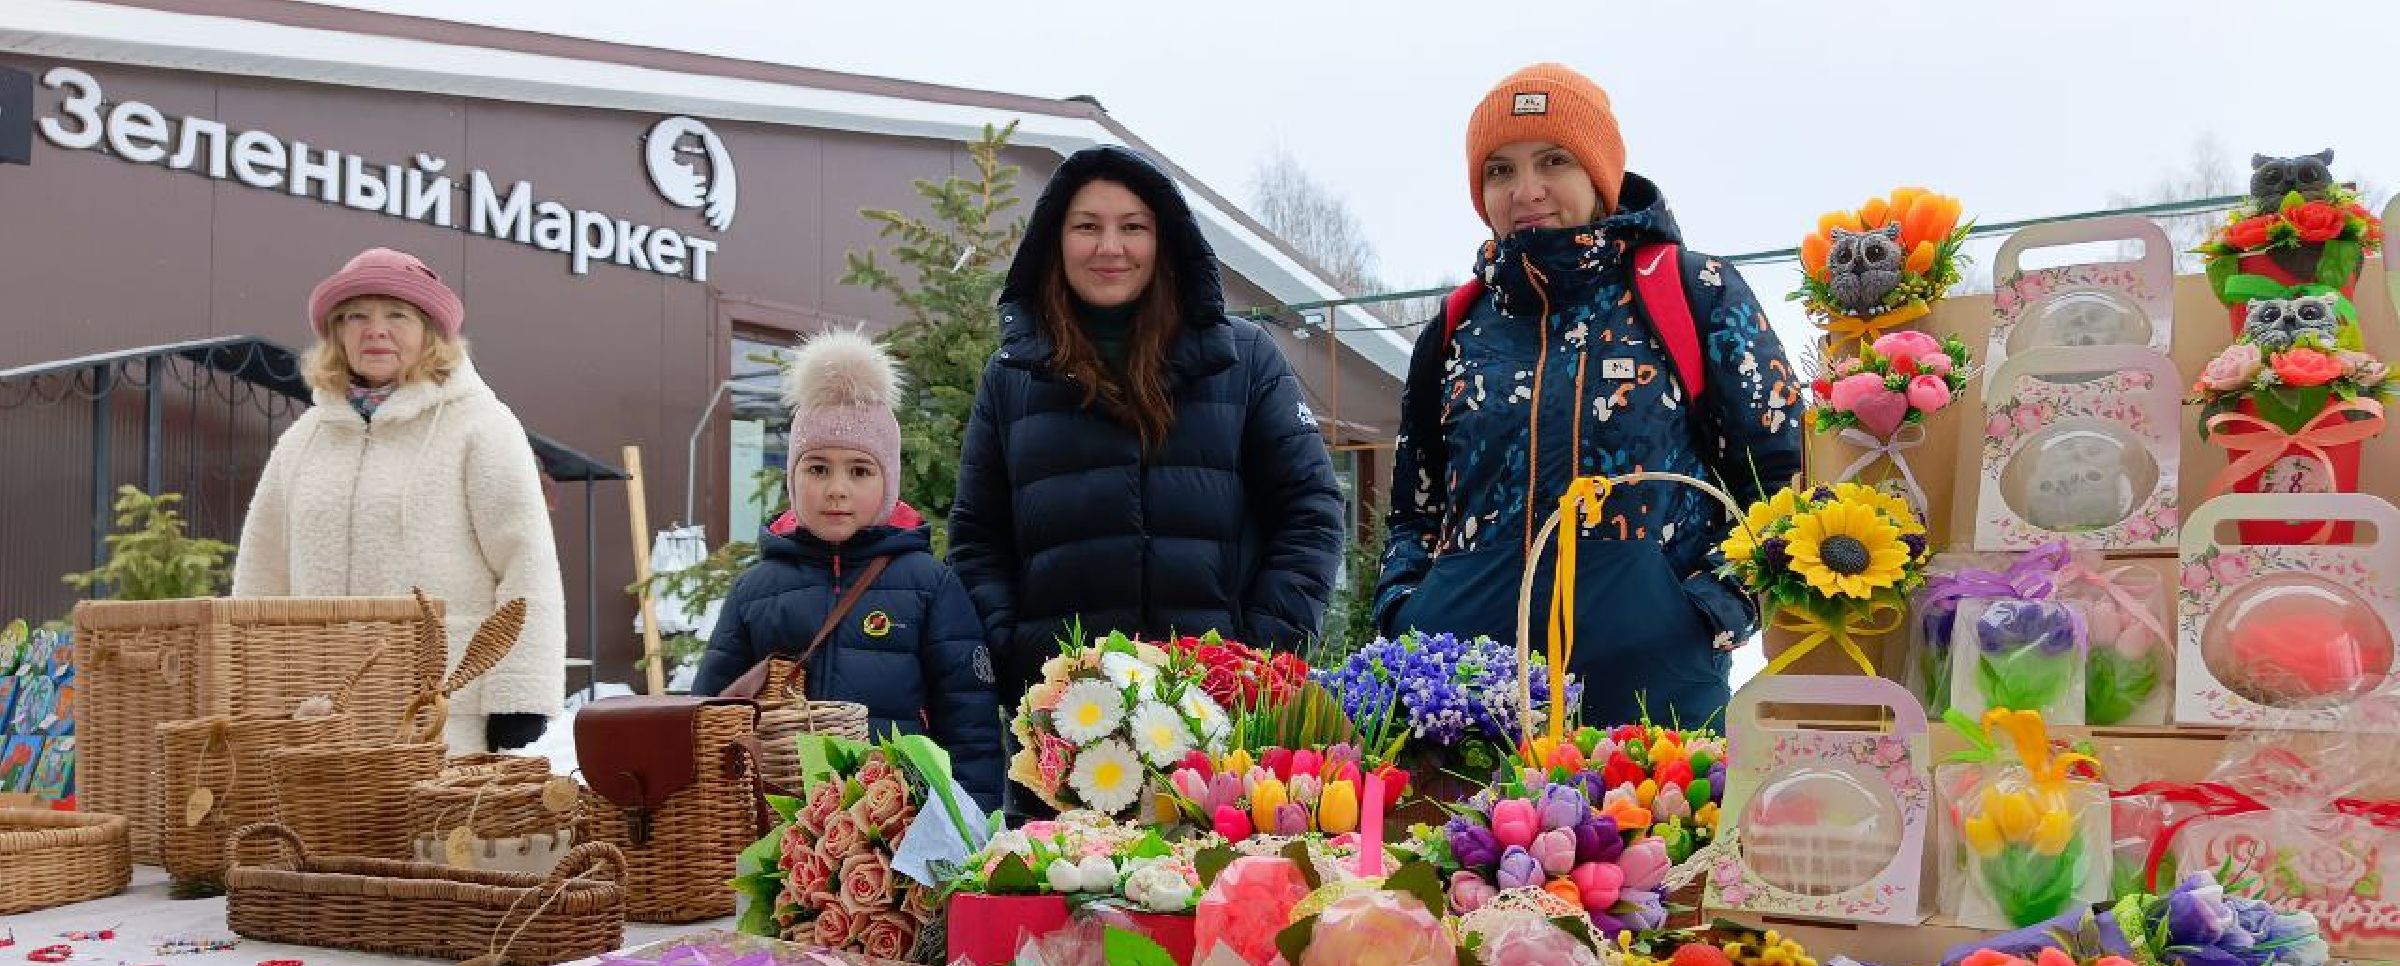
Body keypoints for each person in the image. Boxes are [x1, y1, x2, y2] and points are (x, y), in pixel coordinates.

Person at [1372, 64, 1804, 728]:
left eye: (1554, 161)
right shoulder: (1457, 328)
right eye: (1500, 170)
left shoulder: (1694, 293)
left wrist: (1706, 612)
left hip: (1653, 703)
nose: (1527, 191)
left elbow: (1782, 481)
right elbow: (1413, 511)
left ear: (1601, 173)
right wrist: (1407, 609)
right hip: (1466, 703)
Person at [950, 144, 1343, 719]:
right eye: (1087, 226)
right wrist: (1018, 662)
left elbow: (1310, 512)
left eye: (1133, 227)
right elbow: (977, 539)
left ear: (1164, 240)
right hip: (1065, 722)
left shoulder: (1244, 360)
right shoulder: (1012, 378)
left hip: (1221, 718)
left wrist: (1256, 662)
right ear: (1055, 241)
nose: (1110, 247)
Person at [234, 247, 565, 754]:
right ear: (337, 335)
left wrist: (520, 695)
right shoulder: (302, 441)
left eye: (397, 315)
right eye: (356, 317)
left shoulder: (481, 427)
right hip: (315, 715)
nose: (375, 330)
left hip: (440, 710)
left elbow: (526, 563)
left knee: (431, 812)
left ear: (430, 332)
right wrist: (248, 684)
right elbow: (261, 576)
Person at [691, 331, 1002, 812]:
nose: (837, 489)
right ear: (793, 476)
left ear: (888, 481)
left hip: (900, 824)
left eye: (859, 471)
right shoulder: (755, 590)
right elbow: (708, 717)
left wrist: (971, 824)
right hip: (777, 826)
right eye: (817, 469)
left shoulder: (929, 585)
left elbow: (970, 724)